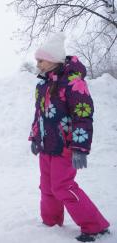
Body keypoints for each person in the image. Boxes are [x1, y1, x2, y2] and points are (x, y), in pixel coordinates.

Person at [29, 33, 110, 242]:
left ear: (54, 59)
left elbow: (83, 116)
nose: (37, 64)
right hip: (47, 145)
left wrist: (80, 148)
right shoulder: (43, 85)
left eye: (41, 60)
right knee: (46, 187)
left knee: (62, 186)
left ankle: (95, 226)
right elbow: (39, 114)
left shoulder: (74, 84)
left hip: (64, 146)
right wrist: (35, 137)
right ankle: (51, 222)